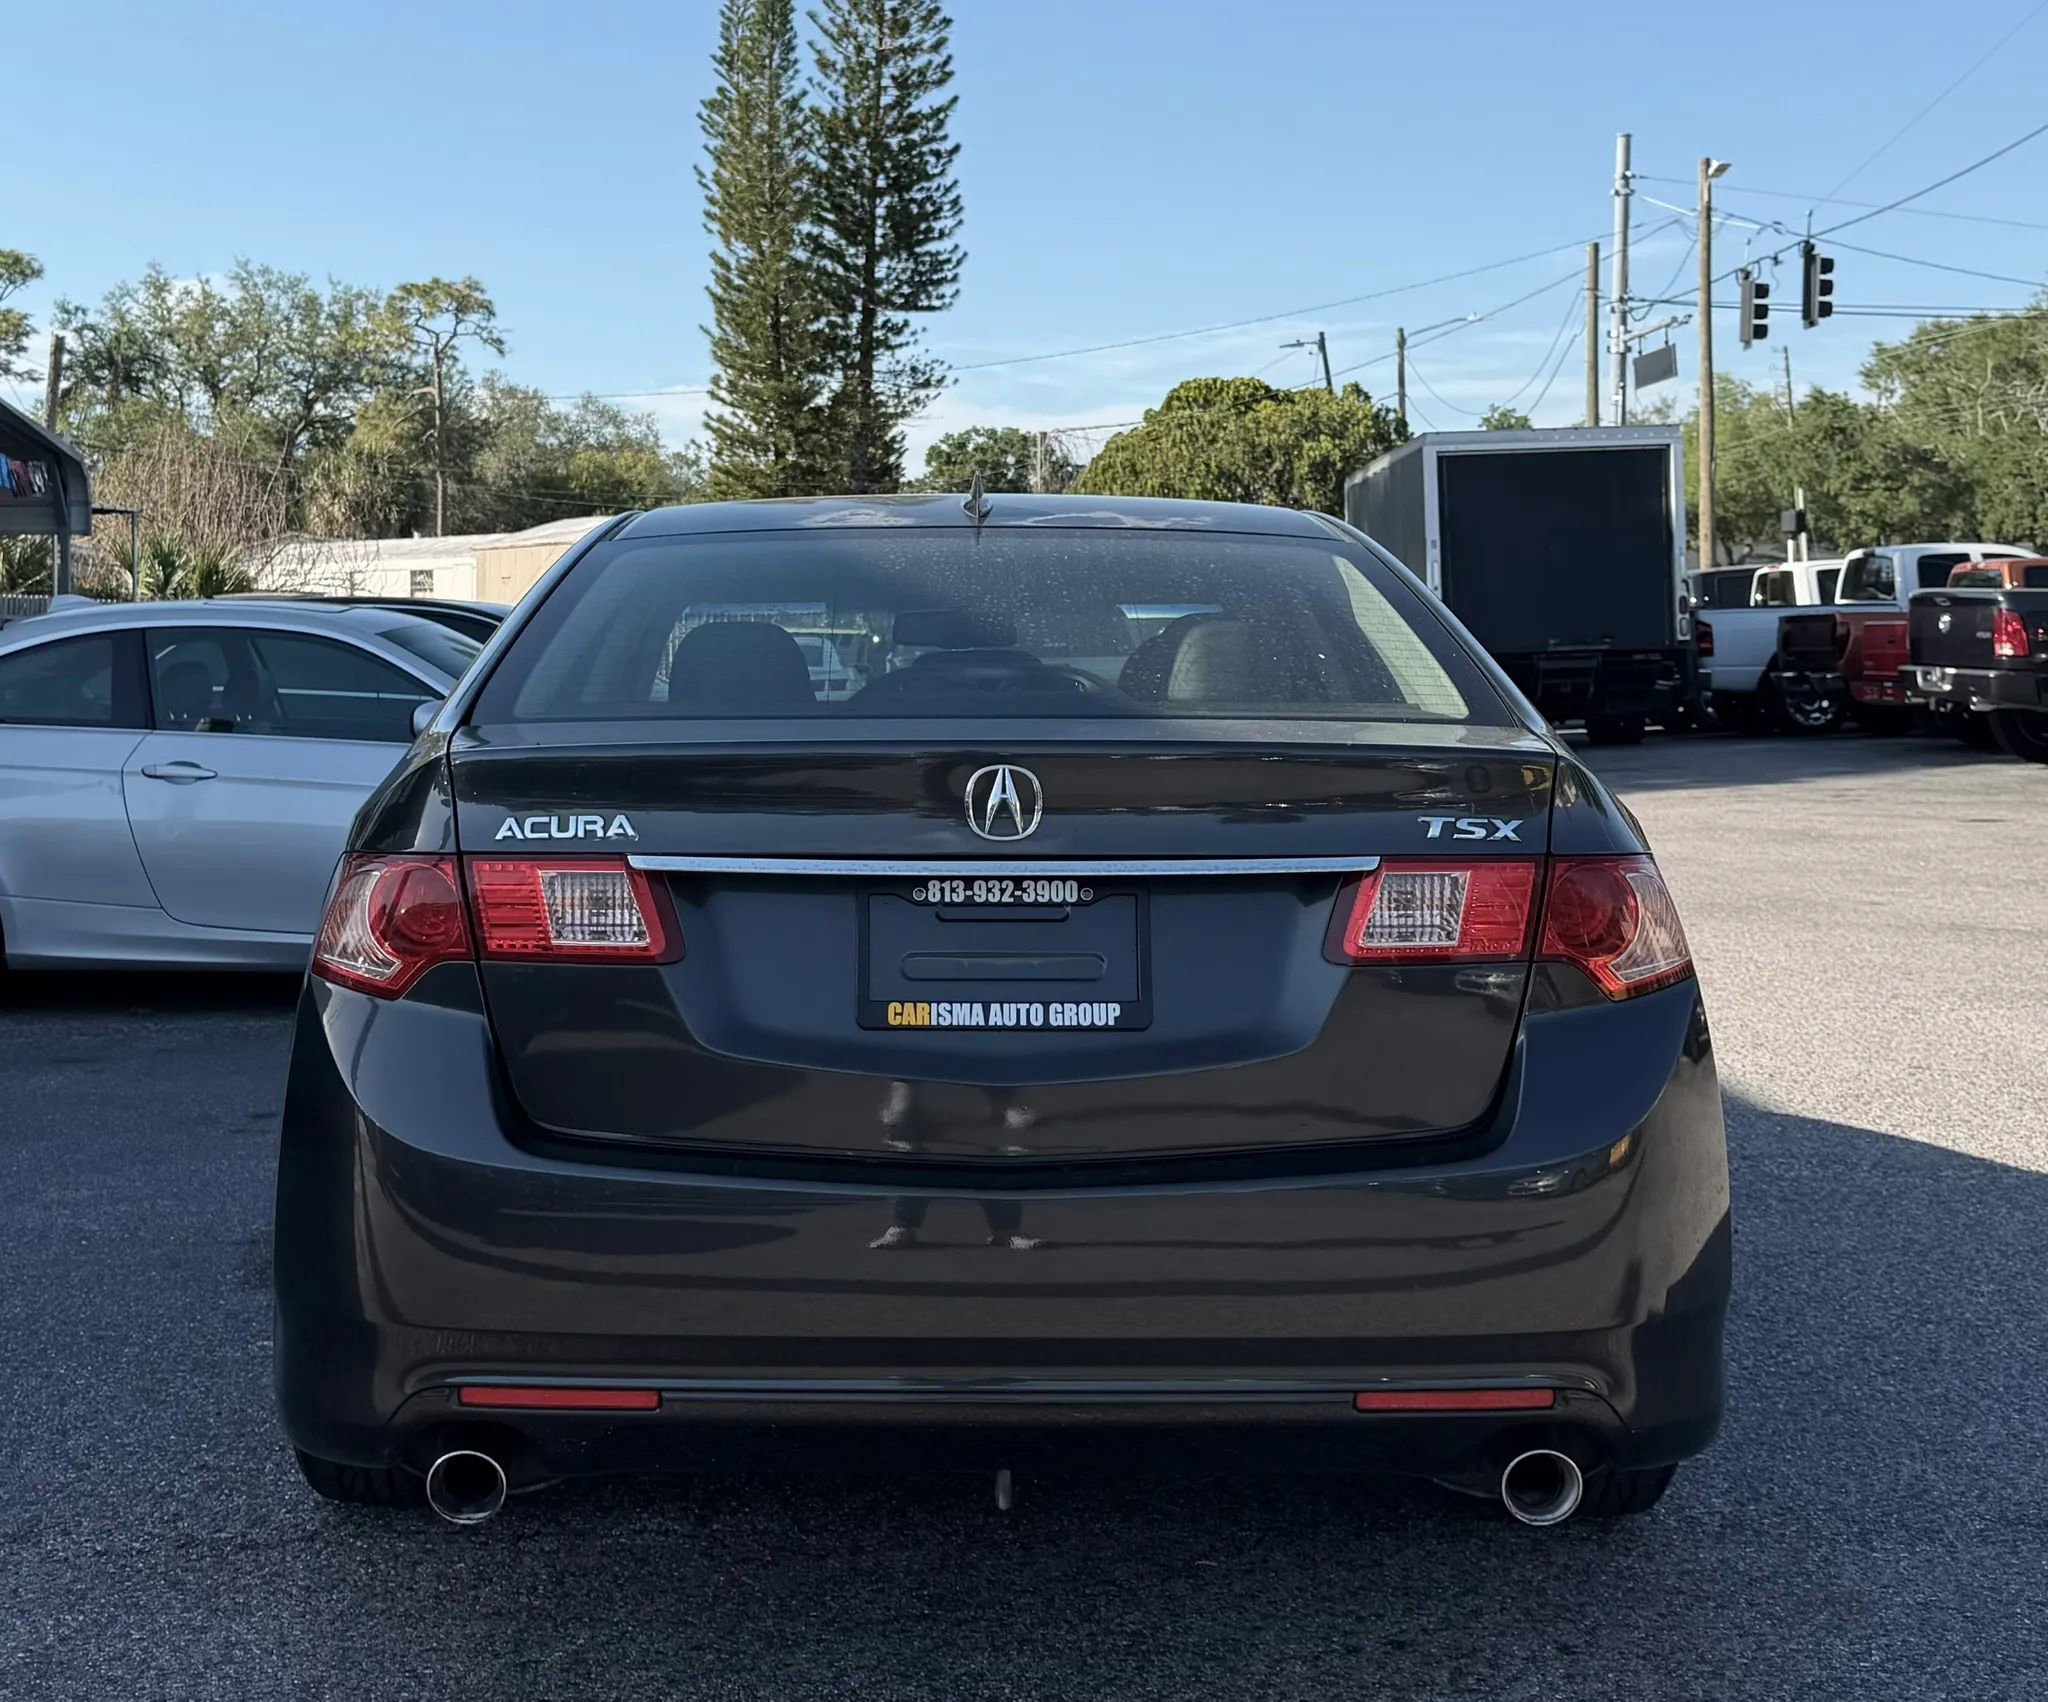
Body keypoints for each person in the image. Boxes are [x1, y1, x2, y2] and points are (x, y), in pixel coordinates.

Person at [869, 1080, 1042, 1250]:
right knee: (906, 1147)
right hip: (922, 1074)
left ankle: (1006, 1229)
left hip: (978, 1074)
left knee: (995, 1156)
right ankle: (901, 1226)